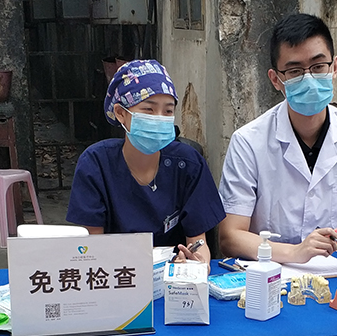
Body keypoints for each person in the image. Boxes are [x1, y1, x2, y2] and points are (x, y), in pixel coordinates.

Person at [218, 13, 337, 266]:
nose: (309, 78)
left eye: (318, 67)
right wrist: (294, 252)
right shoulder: (248, 142)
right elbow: (230, 236)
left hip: (335, 273)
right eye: (294, 71)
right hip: (269, 273)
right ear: (276, 79)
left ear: (334, 67)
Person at [67, 59, 225, 265]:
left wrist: (196, 266)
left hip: (172, 280)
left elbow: (199, 243)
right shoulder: (96, 165)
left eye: (168, 111)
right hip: (117, 277)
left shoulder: (188, 164)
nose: (159, 118)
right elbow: (90, 250)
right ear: (121, 113)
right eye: (149, 110)